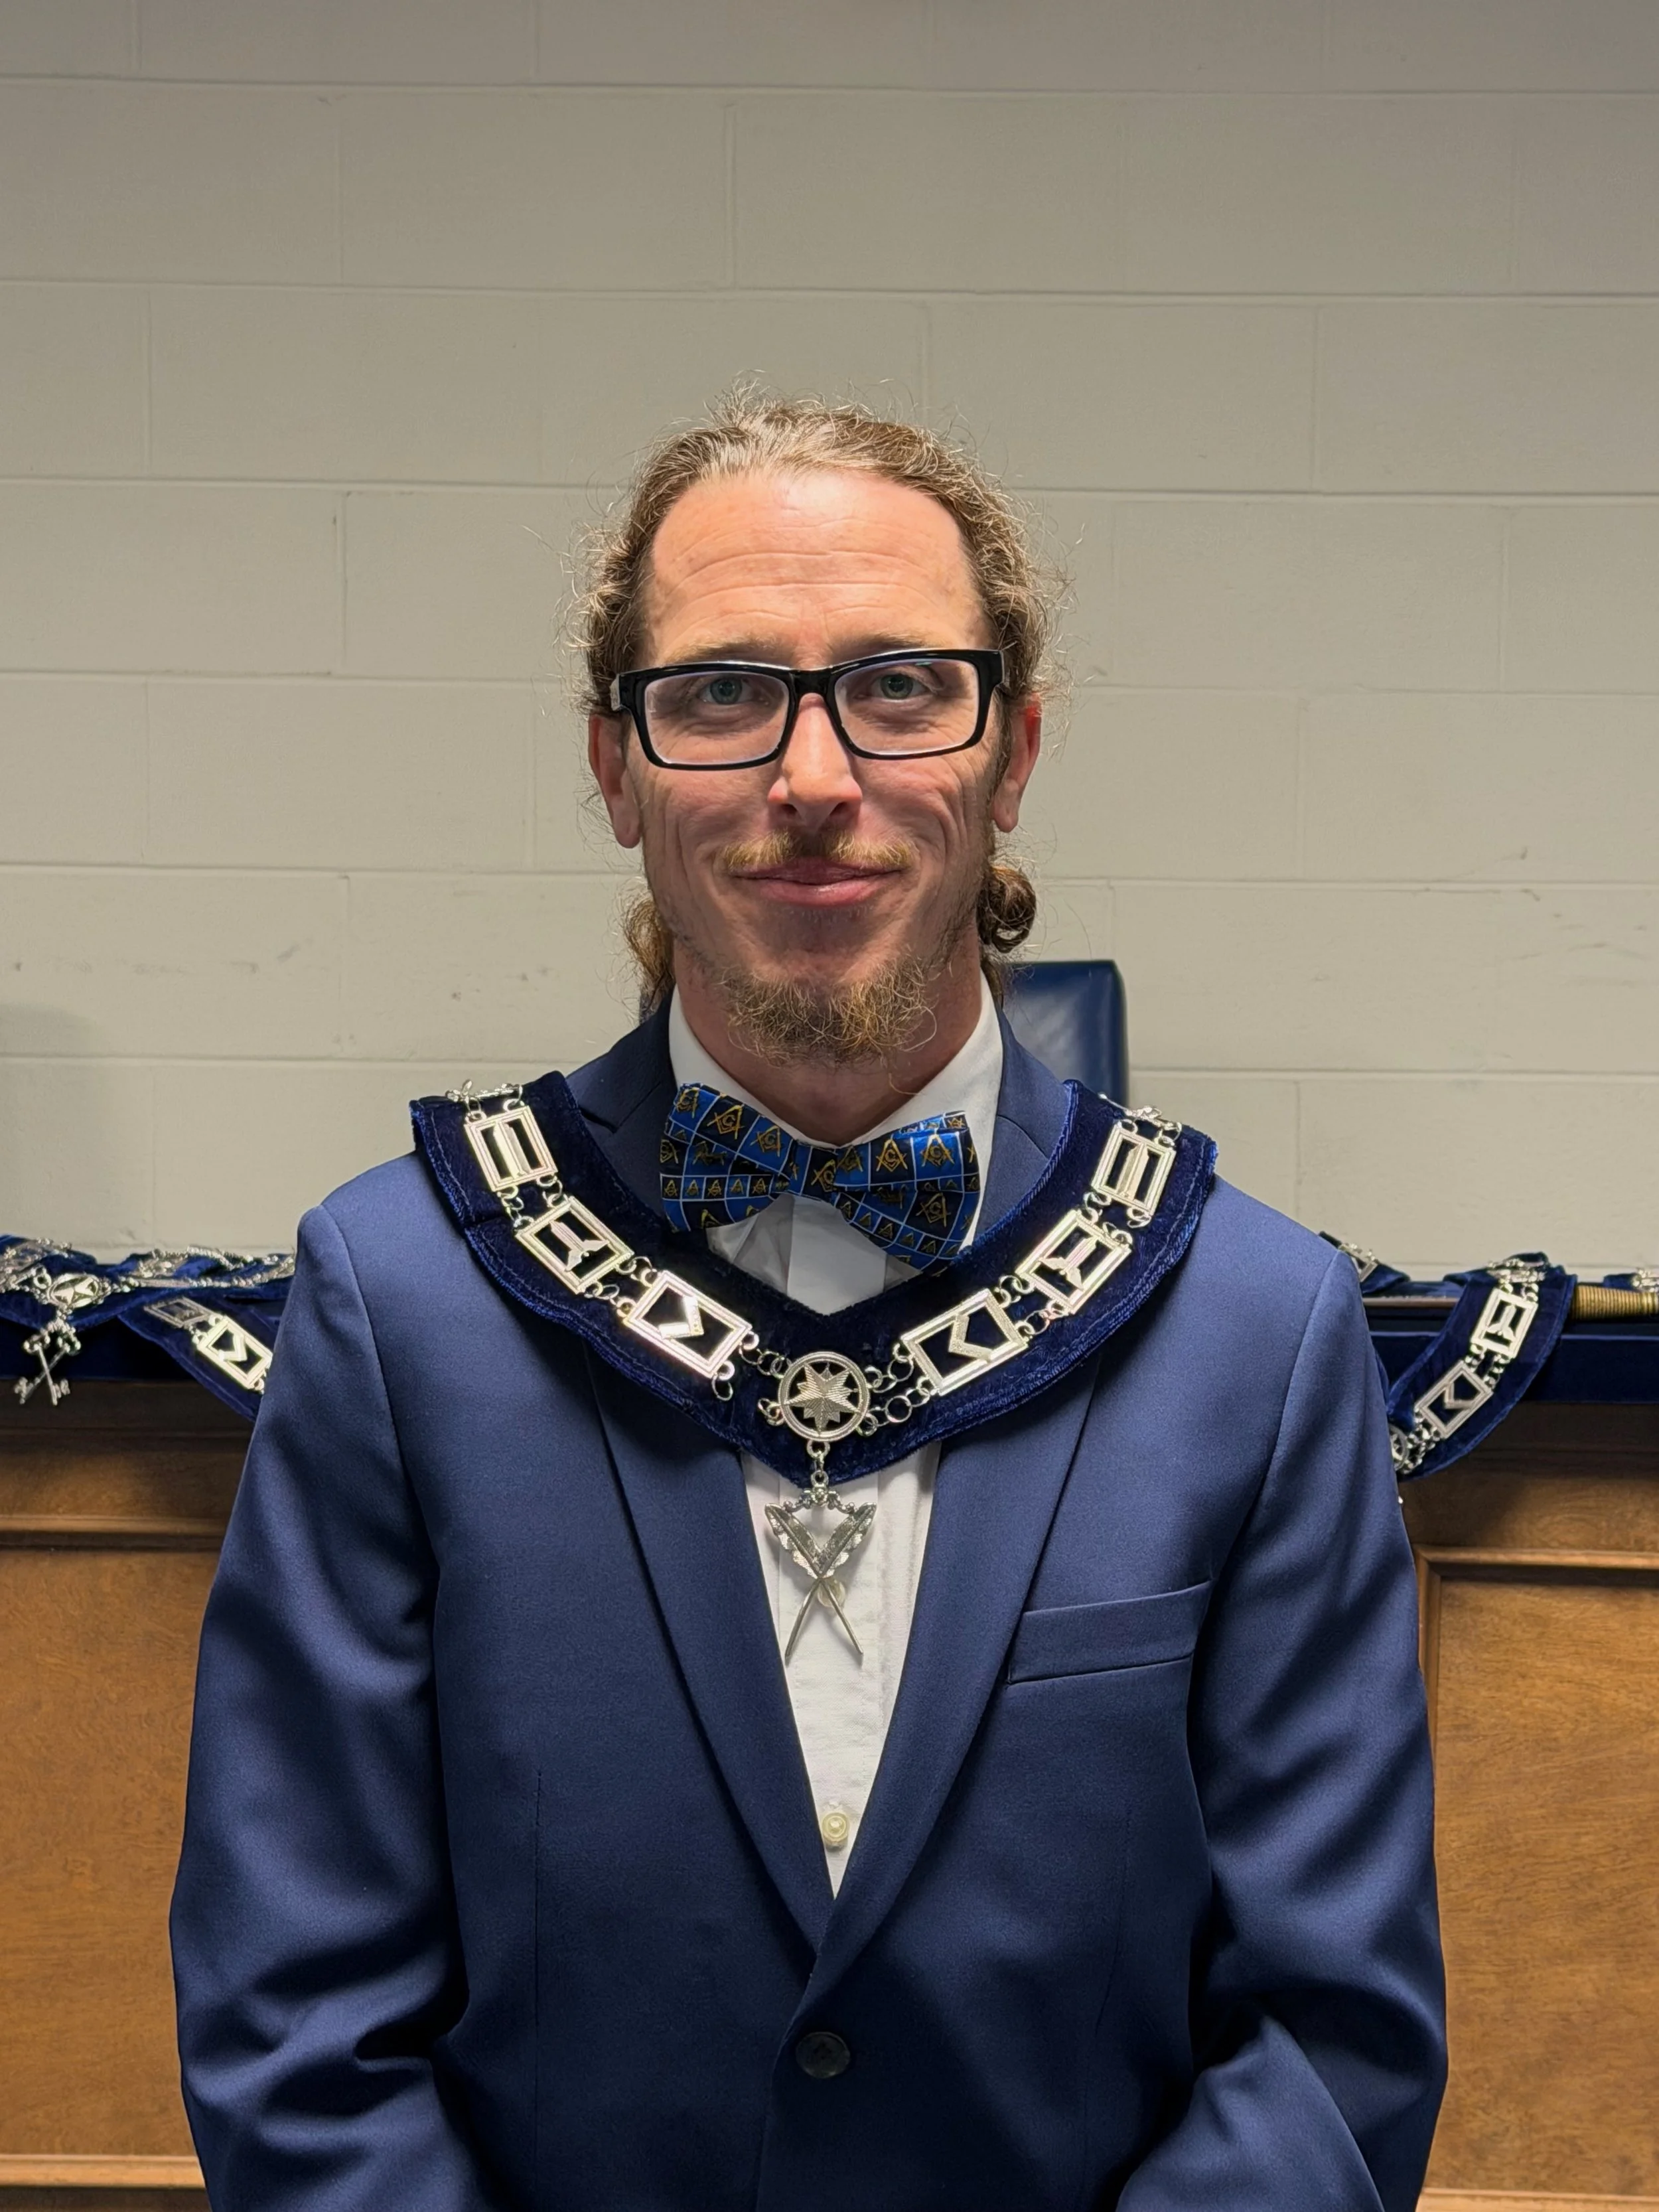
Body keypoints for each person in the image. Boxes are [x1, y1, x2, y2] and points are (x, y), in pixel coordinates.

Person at [171, 393, 1445, 2212]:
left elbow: (1331, 2039)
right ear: (613, 765)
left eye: (901, 685)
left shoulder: (1255, 1324)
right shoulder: (403, 1303)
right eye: (720, 693)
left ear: (1010, 751)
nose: (813, 777)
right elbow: (296, 2023)